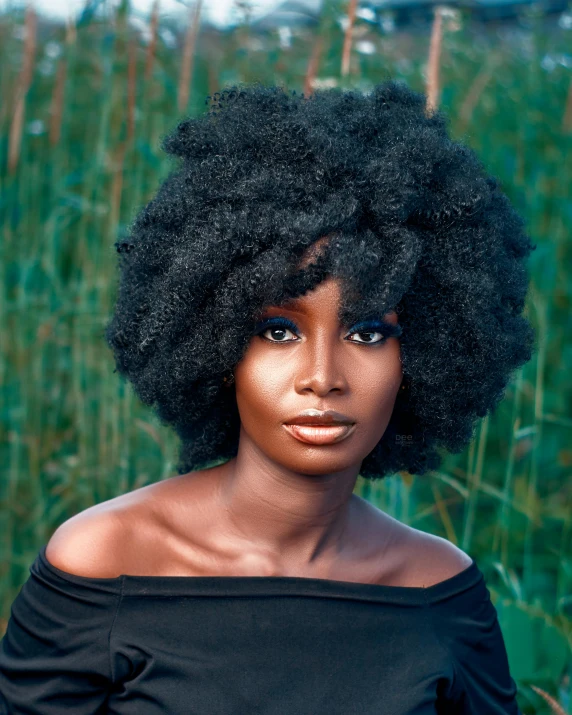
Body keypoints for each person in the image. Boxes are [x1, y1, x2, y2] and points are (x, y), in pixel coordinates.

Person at [0, 81, 534, 714]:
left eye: (366, 332)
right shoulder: (106, 563)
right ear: (217, 344)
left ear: (420, 356)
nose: (322, 376)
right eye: (278, 331)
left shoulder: (438, 590)